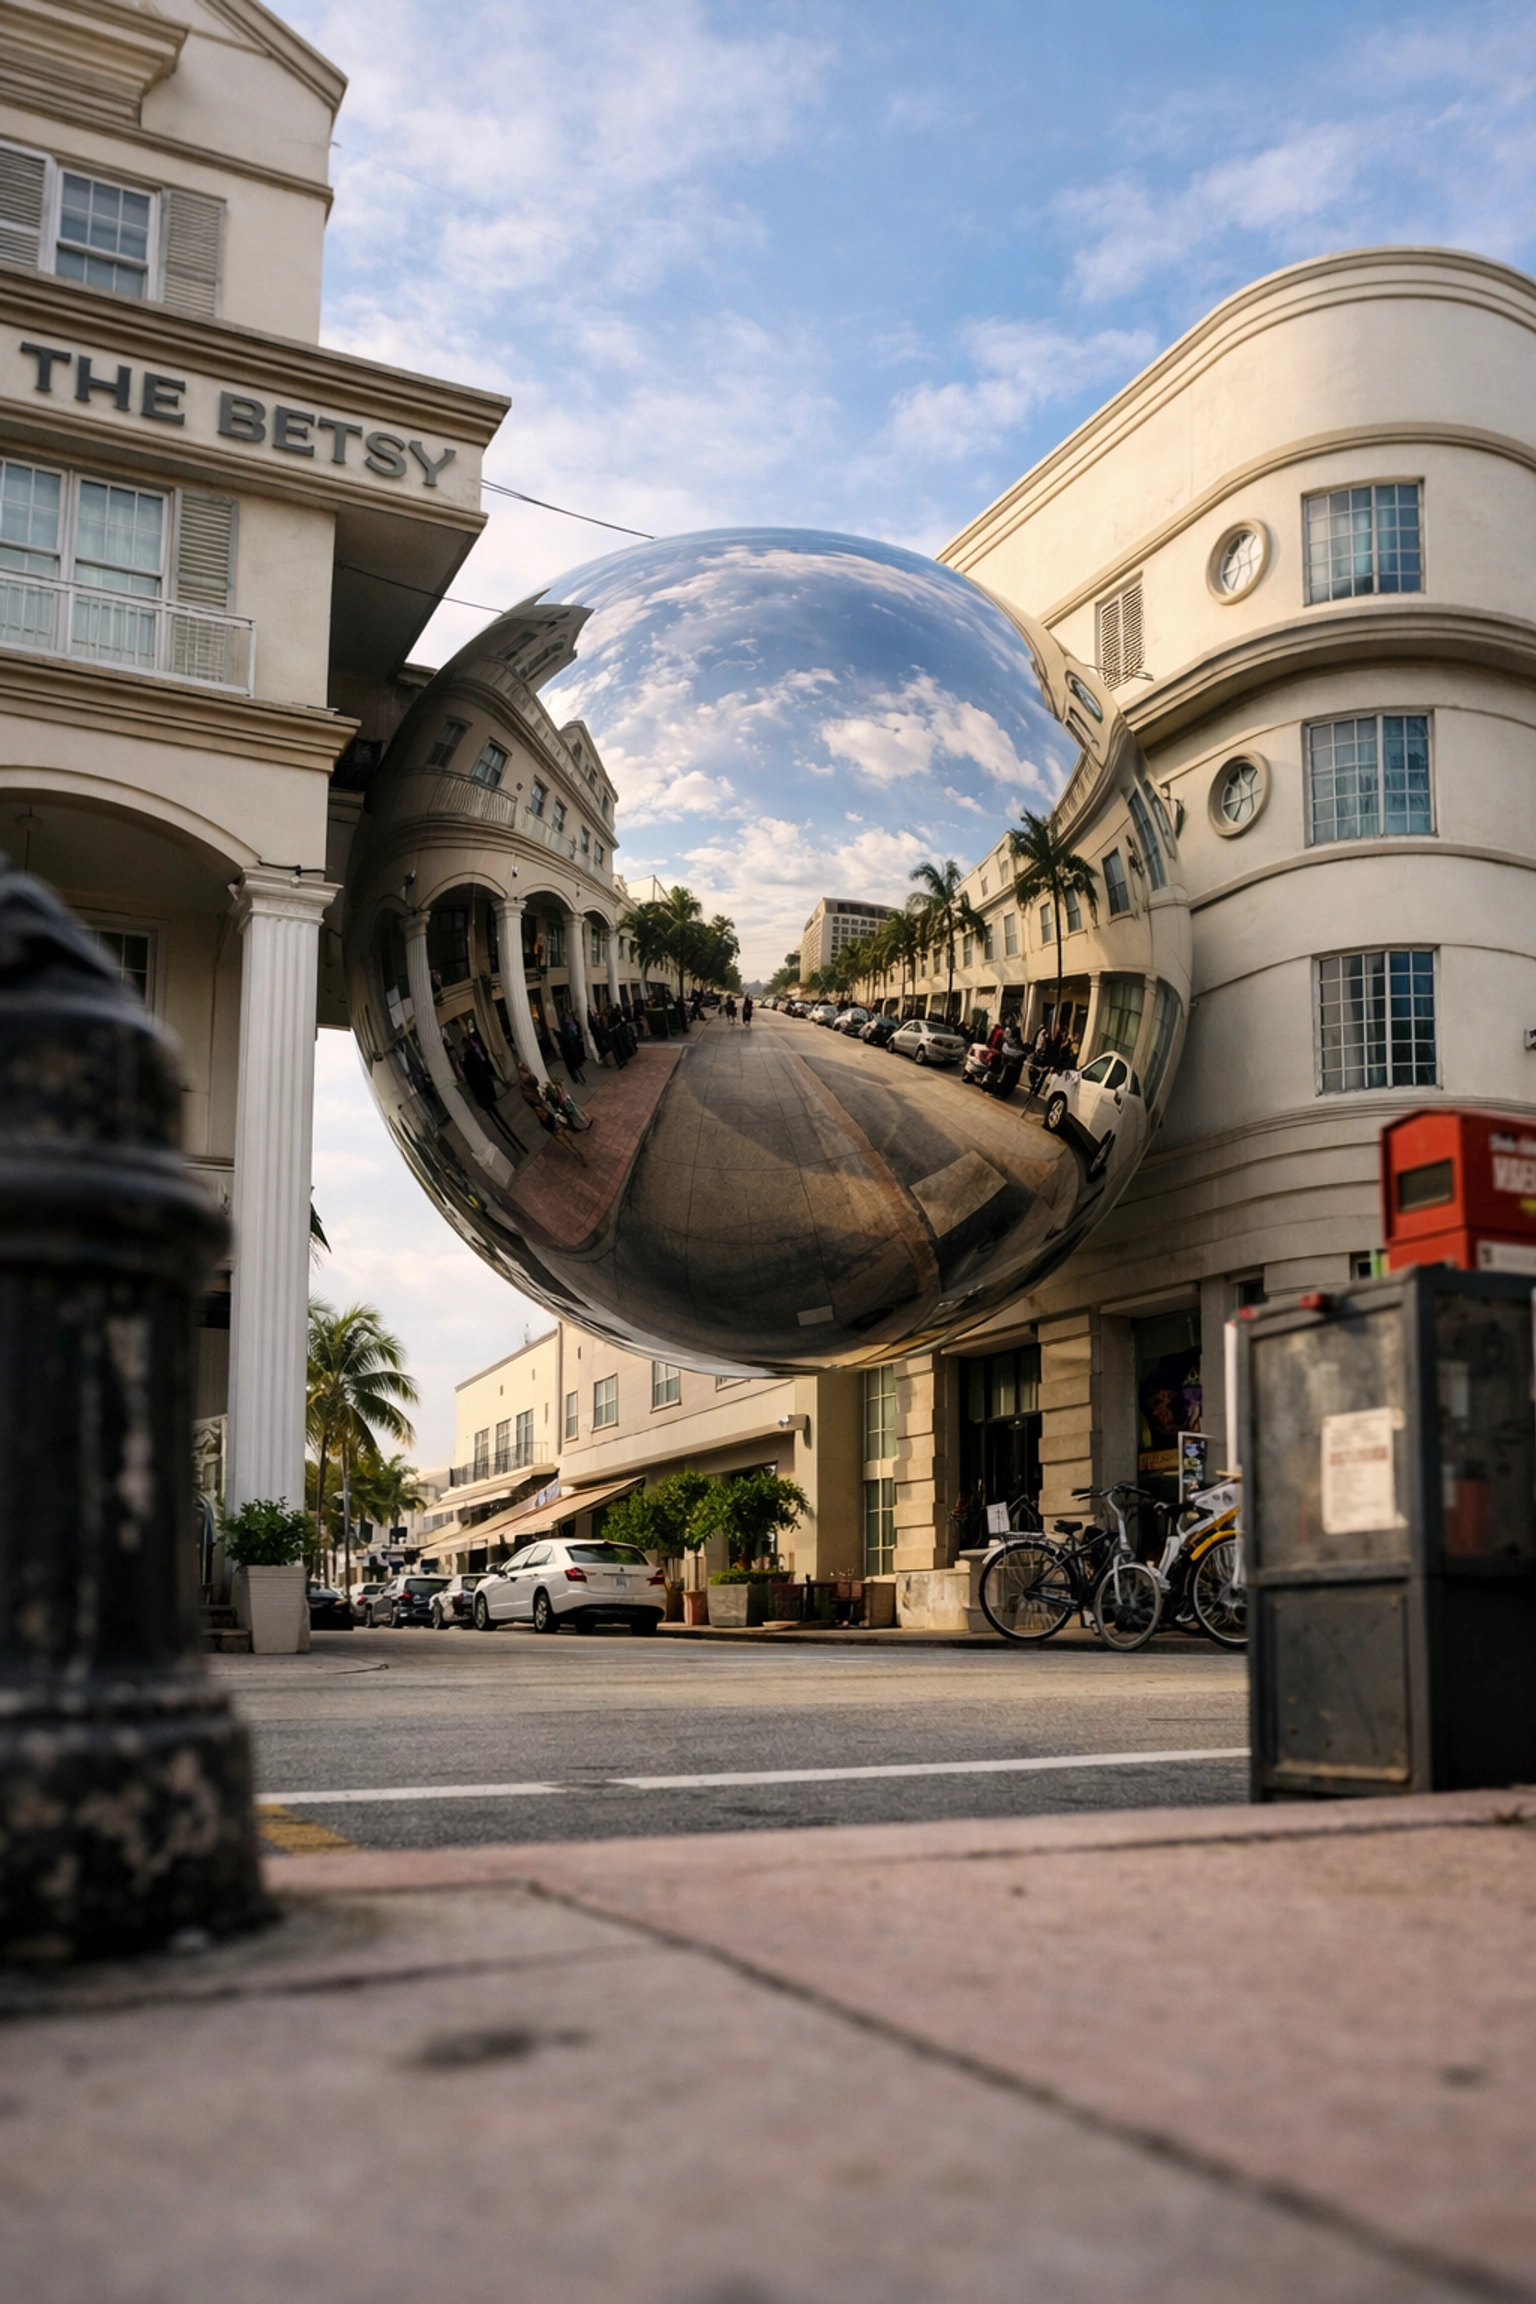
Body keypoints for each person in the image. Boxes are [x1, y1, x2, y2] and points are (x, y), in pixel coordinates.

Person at [558, 1013, 586, 1085]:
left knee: (574, 1056)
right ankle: (574, 1072)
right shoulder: (564, 1028)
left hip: (571, 1043)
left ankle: (576, 1066)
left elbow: (574, 1030)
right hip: (568, 1046)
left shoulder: (568, 1025)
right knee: (571, 1060)